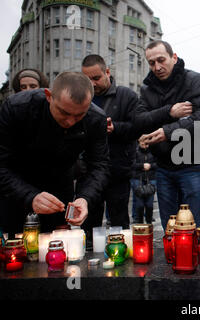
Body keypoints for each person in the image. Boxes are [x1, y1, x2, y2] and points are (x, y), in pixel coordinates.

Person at [0, 72, 109, 234]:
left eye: (79, 115)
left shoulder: (95, 118)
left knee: (56, 246)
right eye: (64, 113)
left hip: (59, 188)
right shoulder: (17, 108)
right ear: (49, 96)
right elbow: (2, 164)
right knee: (15, 246)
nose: (70, 121)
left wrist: (85, 197)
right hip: (16, 184)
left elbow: (99, 165)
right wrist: (29, 196)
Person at [135, 40, 200, 230]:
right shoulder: (147, 89)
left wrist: (168, 131)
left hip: (193, 164)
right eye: (151, 62)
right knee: (170, 227)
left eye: (161, 60)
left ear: (174, 57)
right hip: (163, 167)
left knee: (194, 227)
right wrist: (168, 112)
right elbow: (139, 120)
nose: (157, 67)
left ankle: (194, 258)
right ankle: (172, 259)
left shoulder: (195, 80)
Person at [81, 54, 139, 230]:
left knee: (119, 221)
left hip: (118, 171)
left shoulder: (126, 95)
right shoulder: (83, 97)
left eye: (96, 78)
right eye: (87, 79)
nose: (92, 84)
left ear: (107, 72)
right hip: (89, 171)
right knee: (89, 222)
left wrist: (116, 128)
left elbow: (138, 128)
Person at [130, 139, 157, 224]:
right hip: (138, 178)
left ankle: (149, 222)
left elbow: (158, 163)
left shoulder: (153, 151)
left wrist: (150, 166)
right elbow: (131, 164)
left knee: (149, 204)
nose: (145, 146)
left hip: (151, 178)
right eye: (143, 144)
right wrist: (142, 166)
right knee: (139, 204)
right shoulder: (135, 151)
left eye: (147, 144)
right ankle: (139, 221)